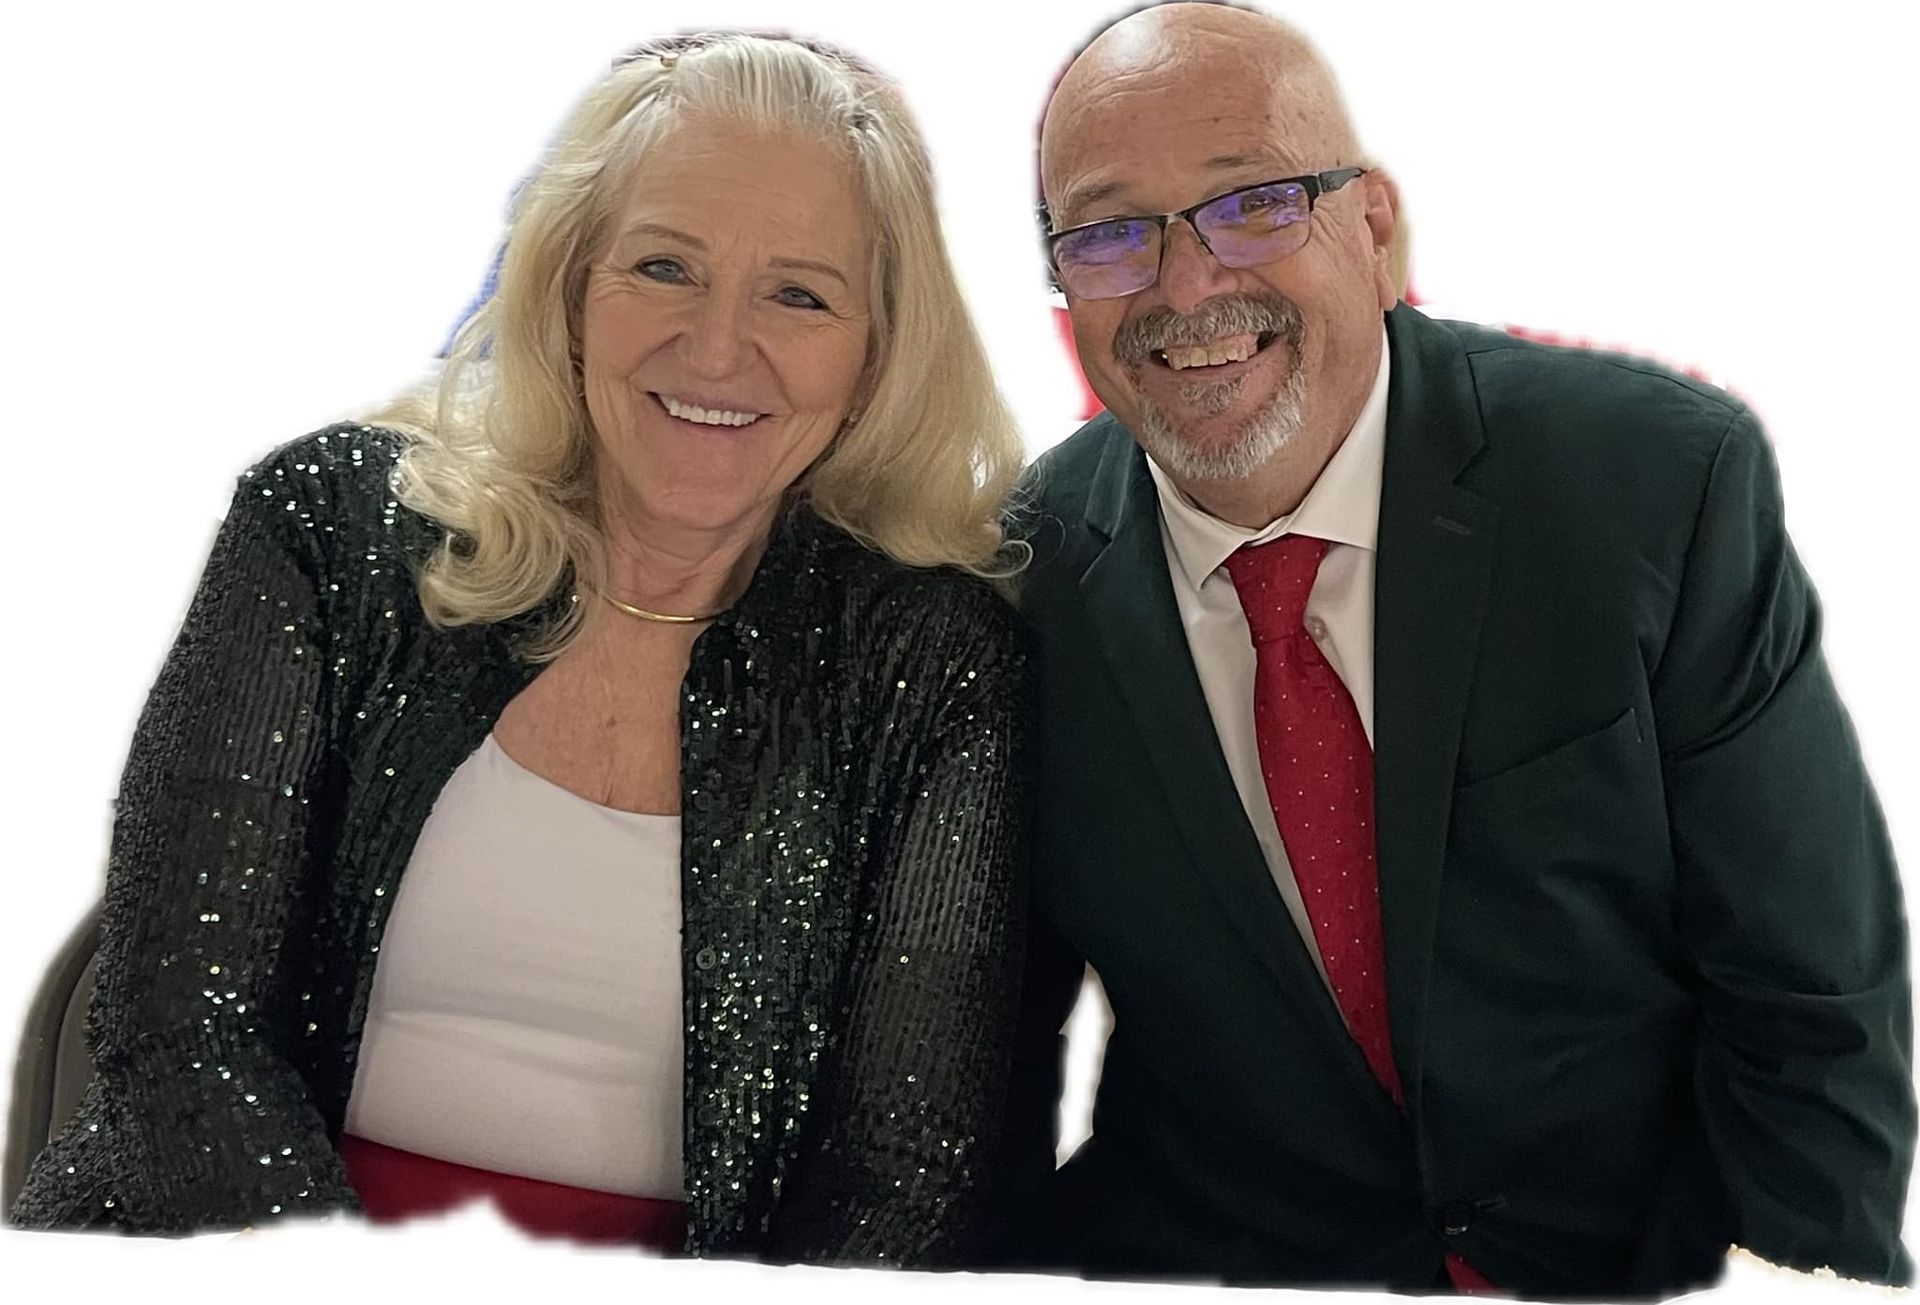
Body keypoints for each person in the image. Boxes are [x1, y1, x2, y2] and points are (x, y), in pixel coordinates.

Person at [10, 31, 1032, 1266]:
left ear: (877, 354)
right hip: (241, 1258)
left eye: (800, 294)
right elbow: (178, 1027)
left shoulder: (938, 663)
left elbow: (906, 1171)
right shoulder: (326, 531)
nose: (716, 348)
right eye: (663, 266)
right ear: (569, 290)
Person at [1004, 2, 1914, 1296]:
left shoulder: (1651, 484)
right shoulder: (1009, 590)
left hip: (1641, 1261)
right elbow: (979, 1075)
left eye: (1251, 202)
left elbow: (1813, 996)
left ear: (1374, 227)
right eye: (1106, 235)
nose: (1185, 282)